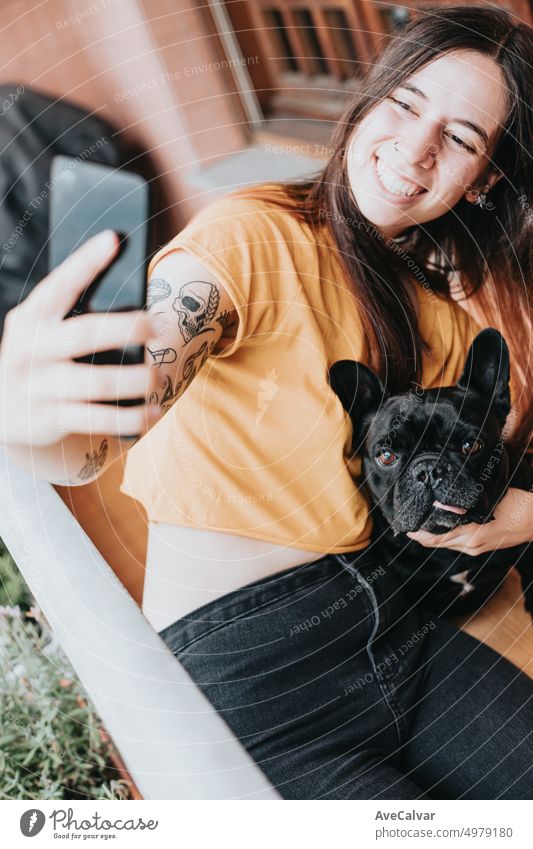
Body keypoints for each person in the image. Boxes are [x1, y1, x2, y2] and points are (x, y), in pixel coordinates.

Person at [1, 6, 532, 799]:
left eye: (458, 138)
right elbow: (96, 437)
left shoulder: (449, 323)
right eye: (405, 104)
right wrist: (34, 425)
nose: (414, 150)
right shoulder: (250, 238)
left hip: (396, 627)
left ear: (485, 177)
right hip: (254, 670)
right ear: (367, 100)